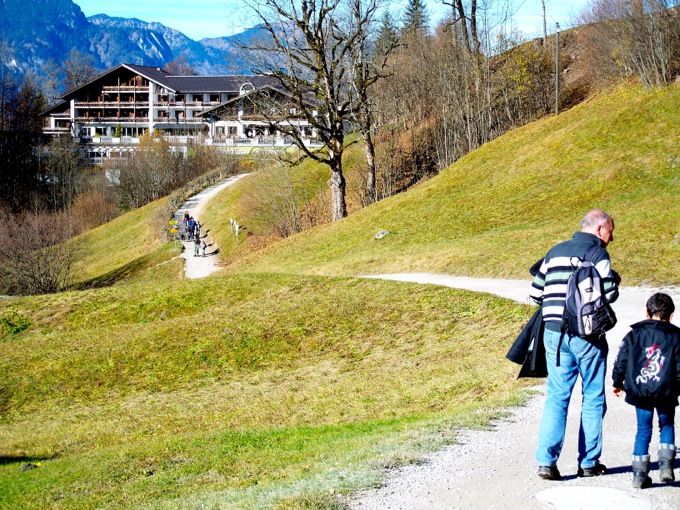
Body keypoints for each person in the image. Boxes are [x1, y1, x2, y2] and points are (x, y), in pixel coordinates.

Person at [529, 209, 620, 480]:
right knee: (592, 397)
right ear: (600, 228)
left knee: (557, 397)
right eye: (611, 231)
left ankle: (546, 462)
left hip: (555, 335)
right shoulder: (598, 255)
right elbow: (610, 295)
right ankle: (589, 462)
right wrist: (613, 281)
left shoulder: (554, 251)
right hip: (588, 336)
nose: (611, 238)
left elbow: (535, 294)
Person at [612, 293, 680, 488]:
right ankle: (666, 466)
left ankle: (639, 476)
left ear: (647, 312)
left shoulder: (634, 335)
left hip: (640, 391)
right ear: (671, 315)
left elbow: (621, 361)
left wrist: (617, 382)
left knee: (643, 430)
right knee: (667, 425)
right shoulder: (676, 336)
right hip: (666, 390)